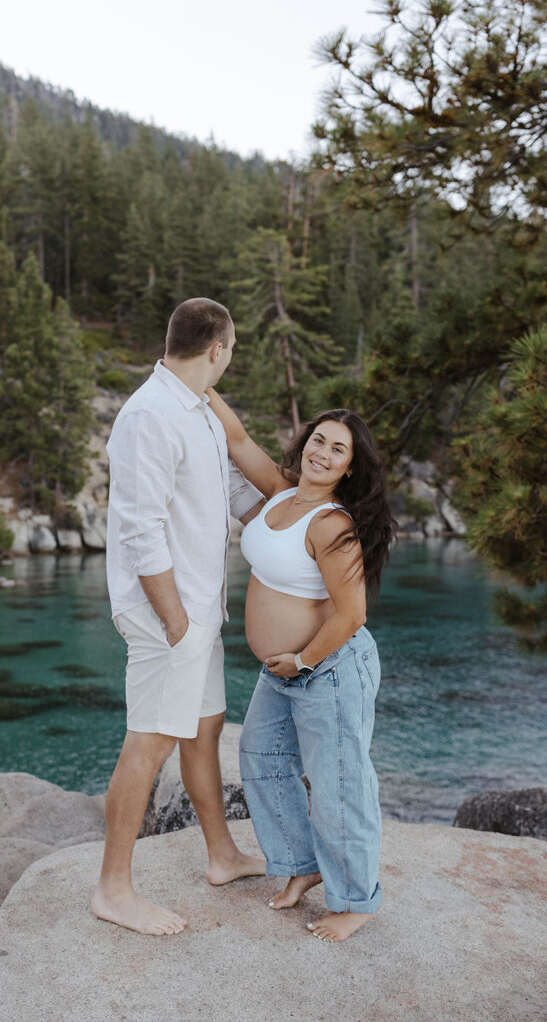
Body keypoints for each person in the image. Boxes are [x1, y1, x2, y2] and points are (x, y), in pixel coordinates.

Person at [91, 298, 266, 936]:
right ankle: (113, 888)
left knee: (205, 728)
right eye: (233, 348)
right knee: (152, 740)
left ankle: (220, 855)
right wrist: (175, 621)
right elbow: (140, 532)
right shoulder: (148, 415)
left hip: (198, 607)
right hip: (169, 613)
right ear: (217, 349)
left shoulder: (201, 413)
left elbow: (239, 495)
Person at [205, 387, 396, 943]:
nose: (323, 452)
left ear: (349, 467)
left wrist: (304, 660)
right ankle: (300, 864)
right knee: (260, 755)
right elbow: (238, 440)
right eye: (319, 439)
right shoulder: (282, 495)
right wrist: (198, 384)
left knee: (339, 784)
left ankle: (355, 901)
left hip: (327, 668)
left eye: (338, 449)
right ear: (305, 442)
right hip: (284, 670)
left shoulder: (333, 525)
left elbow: (352, 613)